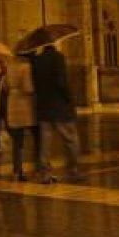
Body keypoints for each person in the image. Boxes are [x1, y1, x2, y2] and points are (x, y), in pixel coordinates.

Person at [30, 44, 82, 183]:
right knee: (71, 139)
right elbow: (62, 82)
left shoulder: (37, 60)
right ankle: (73, 169)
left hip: (43, 107)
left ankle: (45, 174)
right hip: (60, 107)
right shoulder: (58, 57)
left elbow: (34, 84)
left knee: (45, 143)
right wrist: (69, 98)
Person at [4, 53, 40, 181]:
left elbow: (5, 87)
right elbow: (28, 88)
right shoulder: (26, 67)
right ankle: (39, 168)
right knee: (37, 138)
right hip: (26, 108)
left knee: (17, 143)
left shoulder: (9, 67)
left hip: (12, 105)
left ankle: (17, 171)